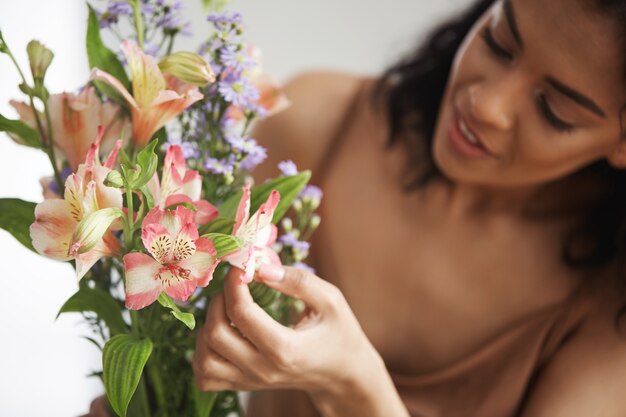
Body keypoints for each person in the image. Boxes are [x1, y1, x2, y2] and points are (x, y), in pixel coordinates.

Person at [88, 0, 626, 415]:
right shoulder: (318, 124)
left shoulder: (609, 318)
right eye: (499, 41)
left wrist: (353, 386)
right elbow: (168, 351)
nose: (486, 104)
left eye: (554, 110)